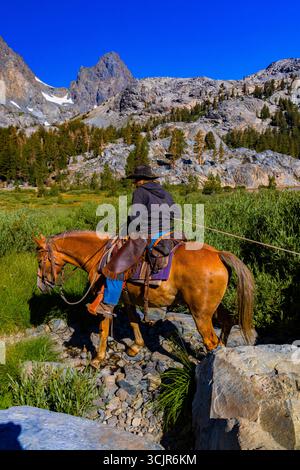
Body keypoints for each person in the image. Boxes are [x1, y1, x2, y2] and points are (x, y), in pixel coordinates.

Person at [89, 164, 177, 317]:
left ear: (139, 180)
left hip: (149, 234)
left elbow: (136, 218)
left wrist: (127, 231)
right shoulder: (165, 193)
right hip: (169, 233)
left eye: (135, 180)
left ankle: (108, 305)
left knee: (116, 264)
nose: (134, 183)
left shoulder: (140, 192)